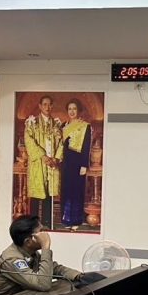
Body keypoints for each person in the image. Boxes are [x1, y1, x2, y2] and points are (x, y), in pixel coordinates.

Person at [0, 215, 83, 295]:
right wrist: (45, 247)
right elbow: (43, 284)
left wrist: (79, 276)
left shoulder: (30, 252)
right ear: (28, 241)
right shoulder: (11, 259)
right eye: (41, 231)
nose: (45, 234)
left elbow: (54, 269)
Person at [24, 94, 63, 227]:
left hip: (52, 163)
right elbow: (29, 141)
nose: (47, 107)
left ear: (52, 106)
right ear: (40, 106)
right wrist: (42, 156)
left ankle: (47, 223)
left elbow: (61, 143)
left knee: (49, 193)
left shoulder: (56, 124)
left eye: (49, 104)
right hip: (38, 163)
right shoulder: (32, 123)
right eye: (44, 104)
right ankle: (33, 224)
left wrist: (56, 158)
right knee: (36, 194)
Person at [60, 98, 92, 230]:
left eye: (74, 109)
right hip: (65, 163)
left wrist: (84, 164)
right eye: (69, 109)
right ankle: (66, 219)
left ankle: (76, 220)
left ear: (78, 110)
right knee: (66, 190)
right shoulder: (63, 126)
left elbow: (86, 146)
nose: (72, 111)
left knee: (76, 191)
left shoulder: (85, 126)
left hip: (78, 163)